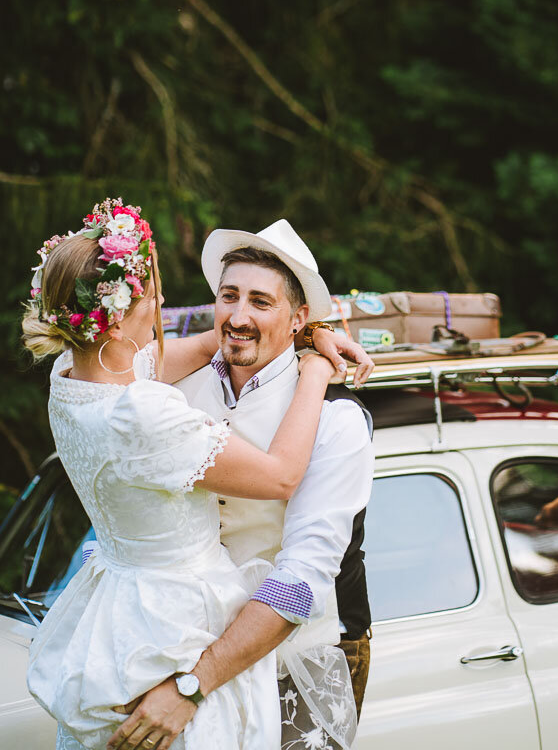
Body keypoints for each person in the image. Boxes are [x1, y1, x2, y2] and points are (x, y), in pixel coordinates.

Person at [22, 199, 373, 750]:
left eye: (261, 301)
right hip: (168, 650)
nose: (237, 315)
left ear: (299, 317)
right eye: (228, 296)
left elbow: (304, 577)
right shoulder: (161, 395)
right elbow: (275, 471)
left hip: (285, 658)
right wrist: (315, 357)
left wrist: (190, 687)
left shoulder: (336, 420)